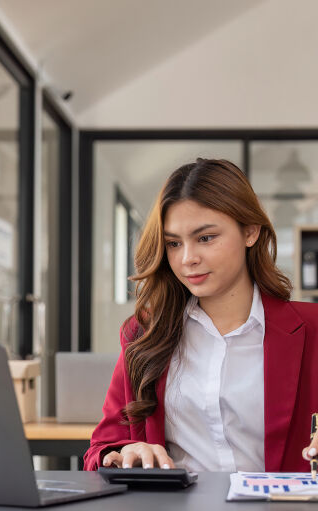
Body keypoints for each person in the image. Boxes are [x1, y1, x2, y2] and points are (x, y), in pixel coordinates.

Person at [83, 158, 318, 473]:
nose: (187, 258)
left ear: (250, 232)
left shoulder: (311, 329)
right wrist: (126, 451)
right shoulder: (145, 333)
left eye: (206, 238)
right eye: (174, 243)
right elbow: (100, 450)